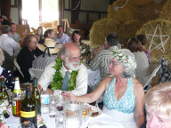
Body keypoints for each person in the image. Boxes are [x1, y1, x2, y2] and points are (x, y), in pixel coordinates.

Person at [63, 49, 145, 128]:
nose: (109, 66)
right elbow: (92, 97)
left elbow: (139, 115)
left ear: (125, 66)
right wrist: (74, 98)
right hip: (103, 123)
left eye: (113, 63)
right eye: (110, 63)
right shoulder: (107, 81)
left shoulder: (137, 87)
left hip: (126, 125)